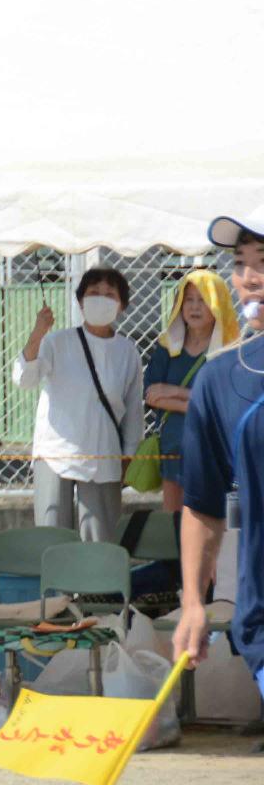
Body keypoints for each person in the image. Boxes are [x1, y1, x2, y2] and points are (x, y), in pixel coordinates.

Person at [174, 216, 264, 702]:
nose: (250, 277)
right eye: (240, 264)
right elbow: (203, 504)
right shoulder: (220, 377)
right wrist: (193, 601)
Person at [15, 267, 145, 542]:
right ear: (80, 300)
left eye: (110, 294)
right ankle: (55, 587)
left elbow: (133, 412)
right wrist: (38, 333)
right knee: (51, 540)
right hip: (54, 453)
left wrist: (128, 458)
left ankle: (97, 587)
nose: (101, 299)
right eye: (93, 293)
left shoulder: (127, 351)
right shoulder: (56, 341)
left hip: (103, 454)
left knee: (99, 542)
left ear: (122, 305)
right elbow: (24, 378)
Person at [144, 271, 239, 514]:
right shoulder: (167, 347)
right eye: (189, 300)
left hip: (212, 451)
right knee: (175, 524)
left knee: (205, 522)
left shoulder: (231, 351)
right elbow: (151, 395)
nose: (194, 307)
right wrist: (197, 400)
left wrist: (172, 392)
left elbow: (224, 405)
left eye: (203, 300)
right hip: (172, 448)